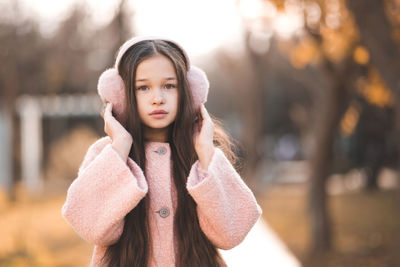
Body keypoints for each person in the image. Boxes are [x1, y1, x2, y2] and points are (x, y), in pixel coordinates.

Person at [61, 36, 262, 267]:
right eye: (143, 87)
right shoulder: (108, 154)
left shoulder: (202, 155)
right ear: (121, 95)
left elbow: (231, 233)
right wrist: (120, 147)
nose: (158, 99)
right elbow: (91, 226)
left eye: (169, 85)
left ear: (189, 91)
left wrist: (206, 152)